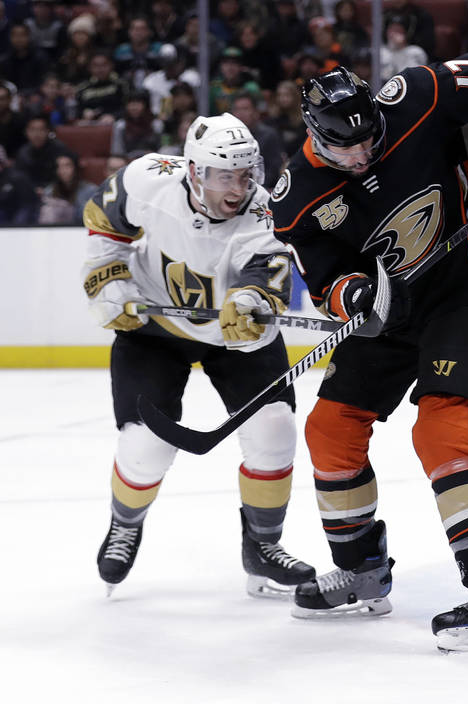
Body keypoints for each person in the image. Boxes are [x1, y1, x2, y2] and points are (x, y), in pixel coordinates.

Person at [269, 55, 468, 652]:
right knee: (329, 428)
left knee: (443, 428)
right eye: (347, 150)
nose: (363, 156)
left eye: (370, 140)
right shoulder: (297, 196)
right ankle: (363, 568)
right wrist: (352, 294)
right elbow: (324, 282)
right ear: (315, 137)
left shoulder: (415, 94)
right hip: (390, 317)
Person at [82, 113, 316, 598]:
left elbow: (267, 276)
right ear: (193, 172)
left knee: (274, 430)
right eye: (225, 175)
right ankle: (126, 523)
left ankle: (263, 546)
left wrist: (251, 304)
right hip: (154, 328)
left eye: (247, 172)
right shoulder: (147, 179)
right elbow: (104, 224)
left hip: (235, 335)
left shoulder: (267, 213)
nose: (240, 186)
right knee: (145, 448)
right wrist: (109, 281)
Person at [38, 153, 96, 225]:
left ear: (75, 168)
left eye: (67, 166)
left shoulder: (90, 190)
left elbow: (92, 217)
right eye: (59, 166)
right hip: (55, 231)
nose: (63, 170)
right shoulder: (49, 191)